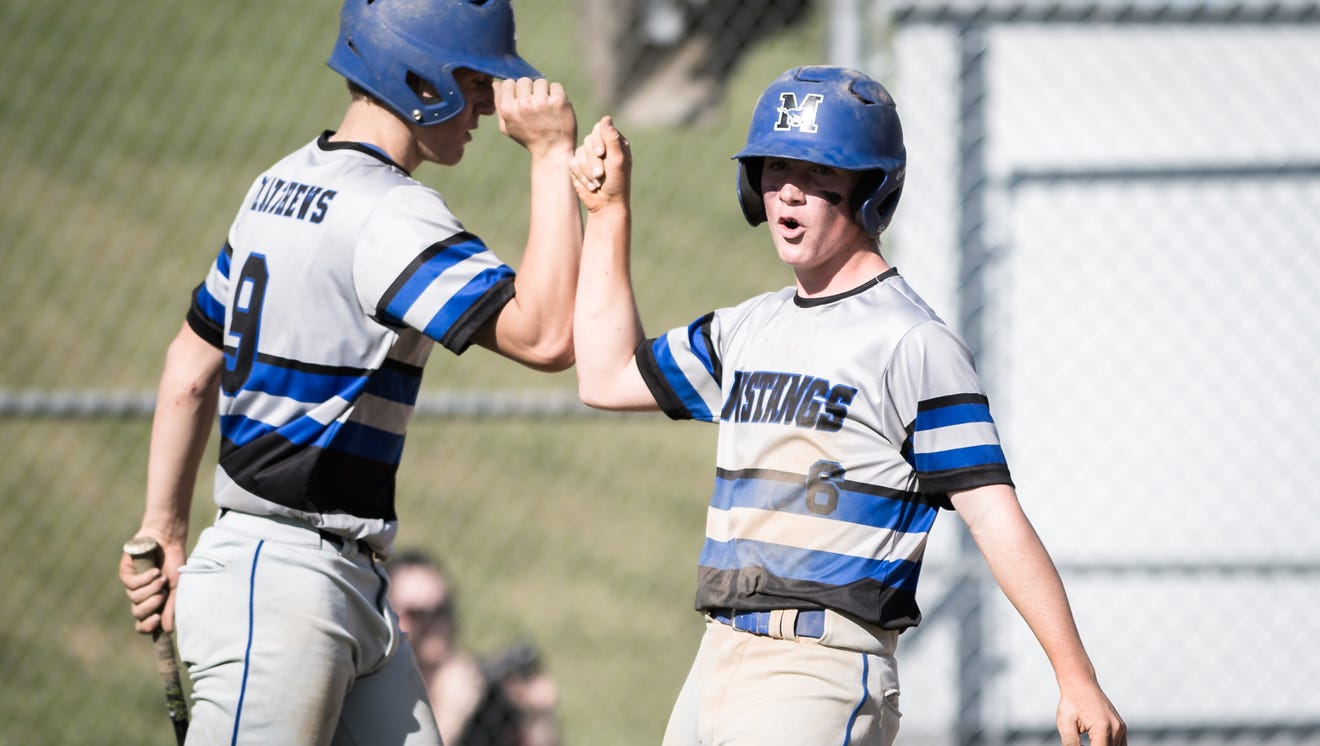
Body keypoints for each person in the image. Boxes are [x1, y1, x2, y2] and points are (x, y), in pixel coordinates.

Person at [568, 65, 1127, 745]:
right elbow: (604, 376)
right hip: (716, 657)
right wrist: (606, 215)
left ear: (872, 192)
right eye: (774, 168)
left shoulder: (910, 342)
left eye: (819, 173)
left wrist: (1075, 676)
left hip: (818, 670)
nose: (789, 193)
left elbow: (993, 516)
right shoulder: (749, 327)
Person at [117, 0, 581, 742]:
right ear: (422, 78)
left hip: (337, 581)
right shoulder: (391, 213)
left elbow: (187, 368)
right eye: (476, 80)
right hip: (283, 587)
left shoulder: (276, 183)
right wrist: (554, 158)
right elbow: (549, 333)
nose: (490, 105)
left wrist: (164, 526)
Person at [386, 550, 560, 746]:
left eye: (442, 609)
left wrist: (538, 718)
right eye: (418, 613)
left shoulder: (483, 693)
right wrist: (449, 717)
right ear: (386, 616)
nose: (434, 623)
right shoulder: (373, 695)